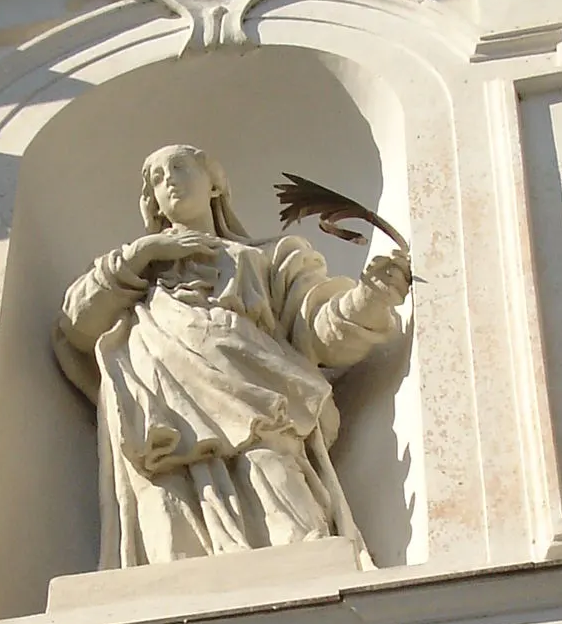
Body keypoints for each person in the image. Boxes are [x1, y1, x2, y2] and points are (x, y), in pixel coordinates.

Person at [54, 142, 410, 569]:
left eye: (179, 167)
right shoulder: (133, 273)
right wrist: (142, 256)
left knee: (286, 511)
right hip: (161, 418)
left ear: (215, 183)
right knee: (171, 530)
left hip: (259, 403)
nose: (167, 181)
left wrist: (368, 301)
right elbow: (76, 324)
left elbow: (318, 331)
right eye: (155, 178)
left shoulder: (265, 256)